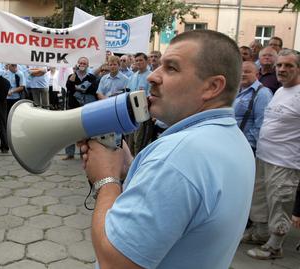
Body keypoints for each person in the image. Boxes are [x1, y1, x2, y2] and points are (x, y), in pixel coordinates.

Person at [80, 30, 254, 269]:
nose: (152, 76)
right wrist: (132, 169)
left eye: (171, 68)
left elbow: (115, 263)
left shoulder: (178, 157)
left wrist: (106, 179)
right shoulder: (232, 137)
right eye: (159, 65)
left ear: (212, 86)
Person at [246, 49, 300, 260]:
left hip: (285, 161)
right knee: (260, 199)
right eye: (279, 65)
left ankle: (275, 246)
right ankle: (261, 233)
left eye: (288, 66)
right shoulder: (280, 91)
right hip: (265, 155)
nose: (282, 69)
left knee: (280, 201)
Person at [233, 61, 272, 152]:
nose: (243, 74)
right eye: (241, 71)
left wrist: (246, 145)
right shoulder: (235, 91)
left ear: (257, 75)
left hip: (245, 147)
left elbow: (261, 125)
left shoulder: (263, 93)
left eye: (247, 72)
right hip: (232, 142)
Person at [63, 57, 98, 160]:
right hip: (73, 107)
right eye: (81, 63)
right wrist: (75, 73)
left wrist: (77, 87)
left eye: (84, 63)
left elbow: (92, 89)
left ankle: (84, 153)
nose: (82, 65)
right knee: (70, 130)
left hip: (86, 108)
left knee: (85, 131)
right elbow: (69, 86)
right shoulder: (71, 76)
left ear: (87, 65)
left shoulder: (92, 77)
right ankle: (69, 154)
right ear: (77, 64)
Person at [126, 52, 153, 155]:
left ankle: (138, 162)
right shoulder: (133, 76)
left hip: (143, 113)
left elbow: (151, 95)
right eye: (136, 60)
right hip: (132, 112)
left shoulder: (150, 76)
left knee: (140, 140)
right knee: (131, 140)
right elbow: (128, 93)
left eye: (141, 60)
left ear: (146, 61)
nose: (138, 62)